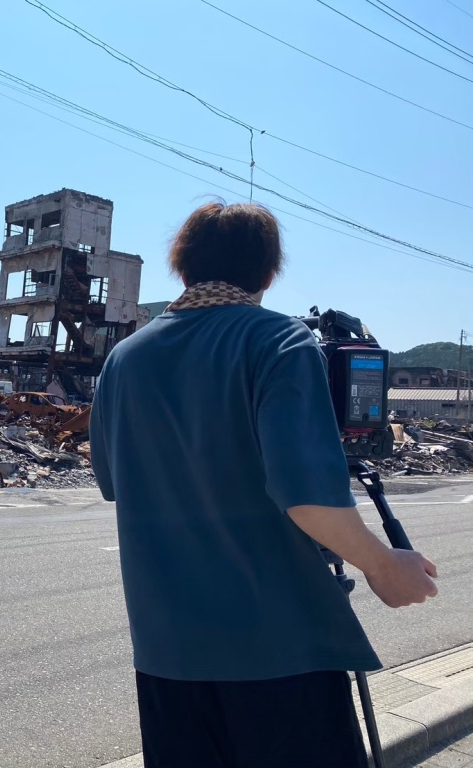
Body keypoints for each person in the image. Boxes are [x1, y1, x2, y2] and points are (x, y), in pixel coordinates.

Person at [89, 202, 438, 768]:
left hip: (166, 655)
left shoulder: (123, 361)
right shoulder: (280, 341)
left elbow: (113, 481)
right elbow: (307, 495)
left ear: (183, 269)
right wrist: (382, 563)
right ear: (268, 272)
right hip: (279, 654)